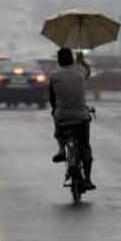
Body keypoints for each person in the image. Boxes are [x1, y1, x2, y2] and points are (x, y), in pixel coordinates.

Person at [49, 47, 95, 190]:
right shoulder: (80, 73)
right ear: (72, 59)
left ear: (59, 60)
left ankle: (62, 149)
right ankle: (87, 179)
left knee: (57, 122)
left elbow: (52, 98)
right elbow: (88, 72)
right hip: (81, 117)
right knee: (85, 147)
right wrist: (82, 62)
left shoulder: (54, 76)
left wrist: (55, 110)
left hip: (62, 116)